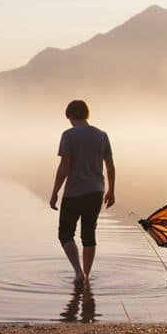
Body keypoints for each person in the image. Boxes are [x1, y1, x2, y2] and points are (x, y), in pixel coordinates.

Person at [49, 100, 115, 283]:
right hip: (96, 192)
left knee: (65, 234)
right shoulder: (102, 135)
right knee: (89, 232)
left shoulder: (69, 135)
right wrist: (111, 191)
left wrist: (55, 192)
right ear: (87, 114)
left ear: (70, 116)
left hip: (74, 192)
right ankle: (87, 275)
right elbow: (110, 166)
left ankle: (78, 272)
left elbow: (64, 166)